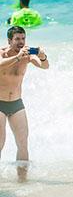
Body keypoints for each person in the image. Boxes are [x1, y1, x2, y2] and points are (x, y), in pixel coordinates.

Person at [0, 26, 49, 182]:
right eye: (17, 39)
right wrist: (17, 57)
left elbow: (45, 66)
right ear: (9, 40)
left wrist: (42, 55)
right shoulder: (2, 53)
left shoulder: (27, 55)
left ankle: (22, 181)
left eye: (23, 38)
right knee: (0, 142)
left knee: (22, 143)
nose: (21, 42)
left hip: (16, 103)